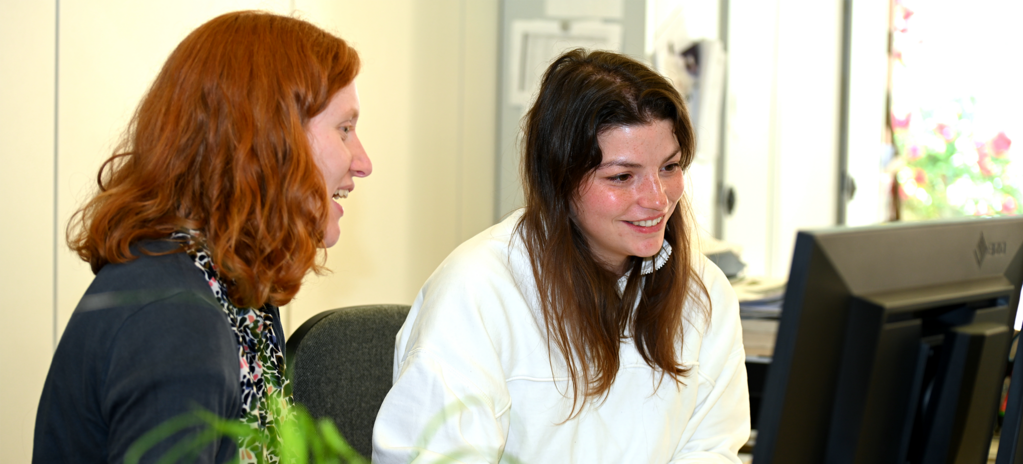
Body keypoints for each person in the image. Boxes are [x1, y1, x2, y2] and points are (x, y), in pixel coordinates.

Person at [372, 49, 749, 463]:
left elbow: (712, 451)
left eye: (669, 167)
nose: (657, 199)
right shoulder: (478, 289)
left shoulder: (703, 293)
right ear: (559, 177)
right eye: (623, 177)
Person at [33, 11, 371, 464]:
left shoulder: (233, 288)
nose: (363, 161)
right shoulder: (174, 320)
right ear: (268, 140)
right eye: (344, 129)